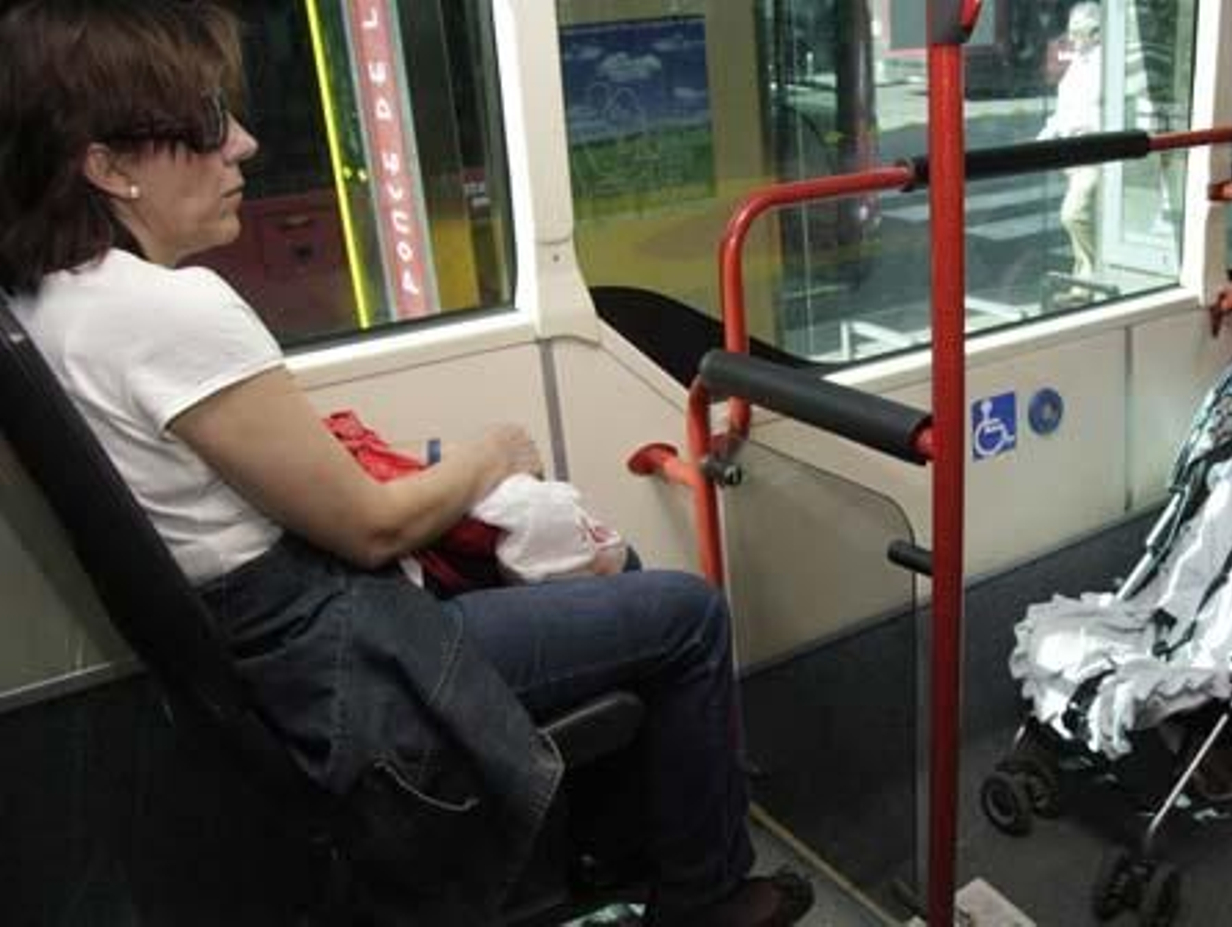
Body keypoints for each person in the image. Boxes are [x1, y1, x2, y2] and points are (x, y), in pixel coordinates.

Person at [0, 3, 811, 926]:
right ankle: (706, 895)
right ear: (108, 168)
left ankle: (603, 860)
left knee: (600, 576)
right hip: (339, 657)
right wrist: (489, 456)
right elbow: (371, 527)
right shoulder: (171, 309)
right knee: (685, 614)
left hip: (263, 656)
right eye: (207, 123)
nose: (245, 144)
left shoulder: (50, 301)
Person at [1037, 1, 1105, 286]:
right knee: (1086, 217)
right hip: (1073, 152)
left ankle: (1093, 277)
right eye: (1071, 31)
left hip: (1095, 150)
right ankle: (1084, 282)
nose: (1072, 38)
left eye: (1079, 32)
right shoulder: (1079, 62)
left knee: (1073, 214)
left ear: (1097, 32)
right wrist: (1044, 137)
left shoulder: (1106, 65)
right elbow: (1064, 109)